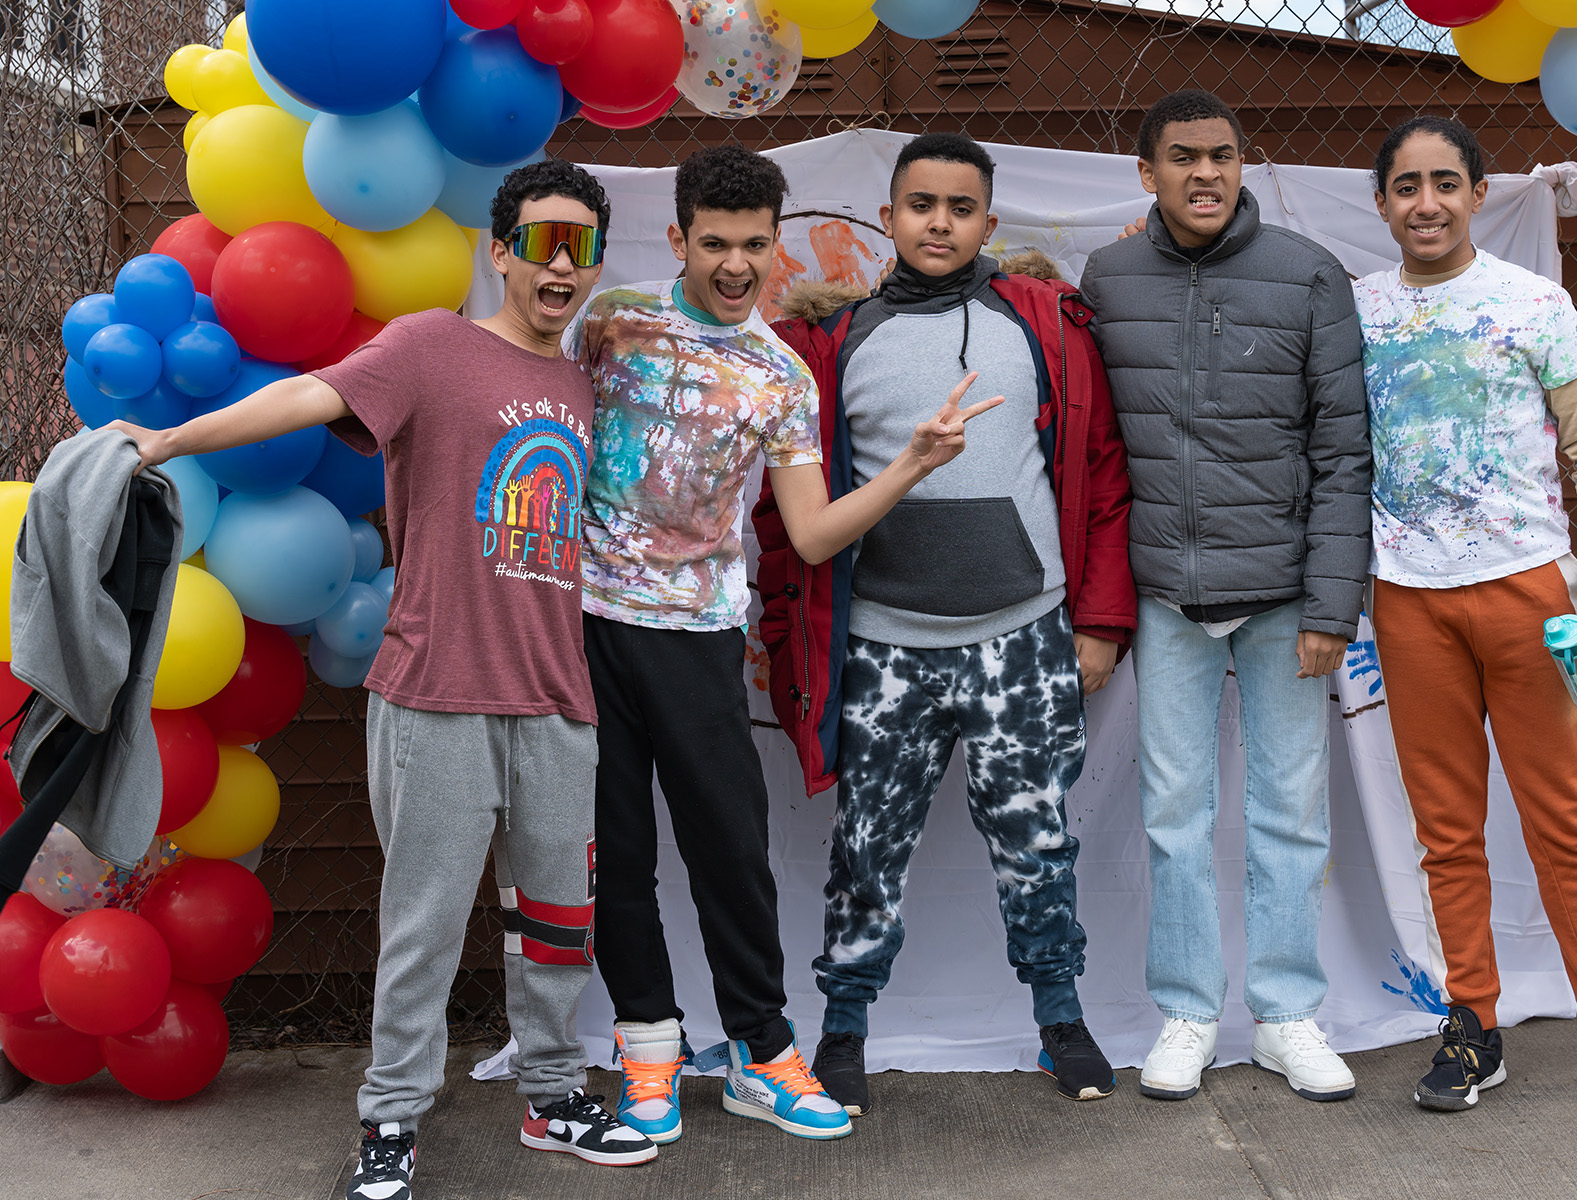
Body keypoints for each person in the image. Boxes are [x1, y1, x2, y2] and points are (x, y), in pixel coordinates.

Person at [108, 160, 655, 1200]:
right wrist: (172, 438)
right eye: (540, 242)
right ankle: (392, 1119)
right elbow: (307, 396)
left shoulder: (582, 385)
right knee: (426, 922)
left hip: (556, 699)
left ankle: (550, 1092)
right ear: (500, 251)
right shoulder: (428, 347)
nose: (559, 265)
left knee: (558, 917)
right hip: (436, 693)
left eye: (580, 246)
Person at [571, 143, 1001, 1145]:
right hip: (585, 630)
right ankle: (649, 1053)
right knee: (617, 856)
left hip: (700, 640)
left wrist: (910, 466)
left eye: (753, 245)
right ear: (676, 237)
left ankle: (763, 1053)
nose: (733, 265)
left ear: (778, 246)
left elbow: (809, 534)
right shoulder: (610, 323)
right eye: (712, 243)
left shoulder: (779, 375)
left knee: (729, 852)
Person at [752, 132, 1137, 1115]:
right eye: (920, 204)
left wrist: (1098, 622)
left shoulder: (1044, 324)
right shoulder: (832, 343)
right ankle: (842, 1033)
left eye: (960, 208)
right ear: (886, 219)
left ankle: (1062, 1018)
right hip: (884, 647)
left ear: (988, 224)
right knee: (868, 847)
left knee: (1036, 841)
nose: (939, 222)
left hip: (1024, 640)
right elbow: (784, 511)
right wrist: (790, 635)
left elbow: (1098, 477)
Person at [1357, 115, 1577, 1115]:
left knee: (1562, 822)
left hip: (1526, 592)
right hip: (1408, 599)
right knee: (1447, 830)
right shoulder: (1356, 312)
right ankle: (1472, 1024)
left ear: (1475, 195)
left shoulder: (1534, 303)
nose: (1427, 203)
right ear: (1382, 204)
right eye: (1407, 187)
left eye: (1446, 184)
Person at [1080, 89, 1372, 1104]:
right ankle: (1188, 1014)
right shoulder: (1110, 276)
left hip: (1287, 595)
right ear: (1147, 172)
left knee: (1291, 813)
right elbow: (1098, 447)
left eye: (1222, 155)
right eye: (1182, 157)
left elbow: (1343, 450)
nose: (1204, 173)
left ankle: (1288, 1014)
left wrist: (1334, 604)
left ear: (1245, 163)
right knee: (1174, 813)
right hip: (1168, 595)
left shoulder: (1307, 275)